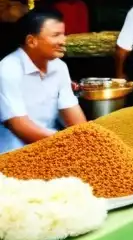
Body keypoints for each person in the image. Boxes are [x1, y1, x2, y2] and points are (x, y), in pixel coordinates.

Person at [0, 11, 86, 154]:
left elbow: (73, 115)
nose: (63, 40)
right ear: (31, 41)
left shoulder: (59, 67)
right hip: (13, 153)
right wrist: (65, 142)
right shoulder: (7, 69)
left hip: (52, 146)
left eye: (63, 34)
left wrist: (87, 139)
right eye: (55, 35)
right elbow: (19, 126)